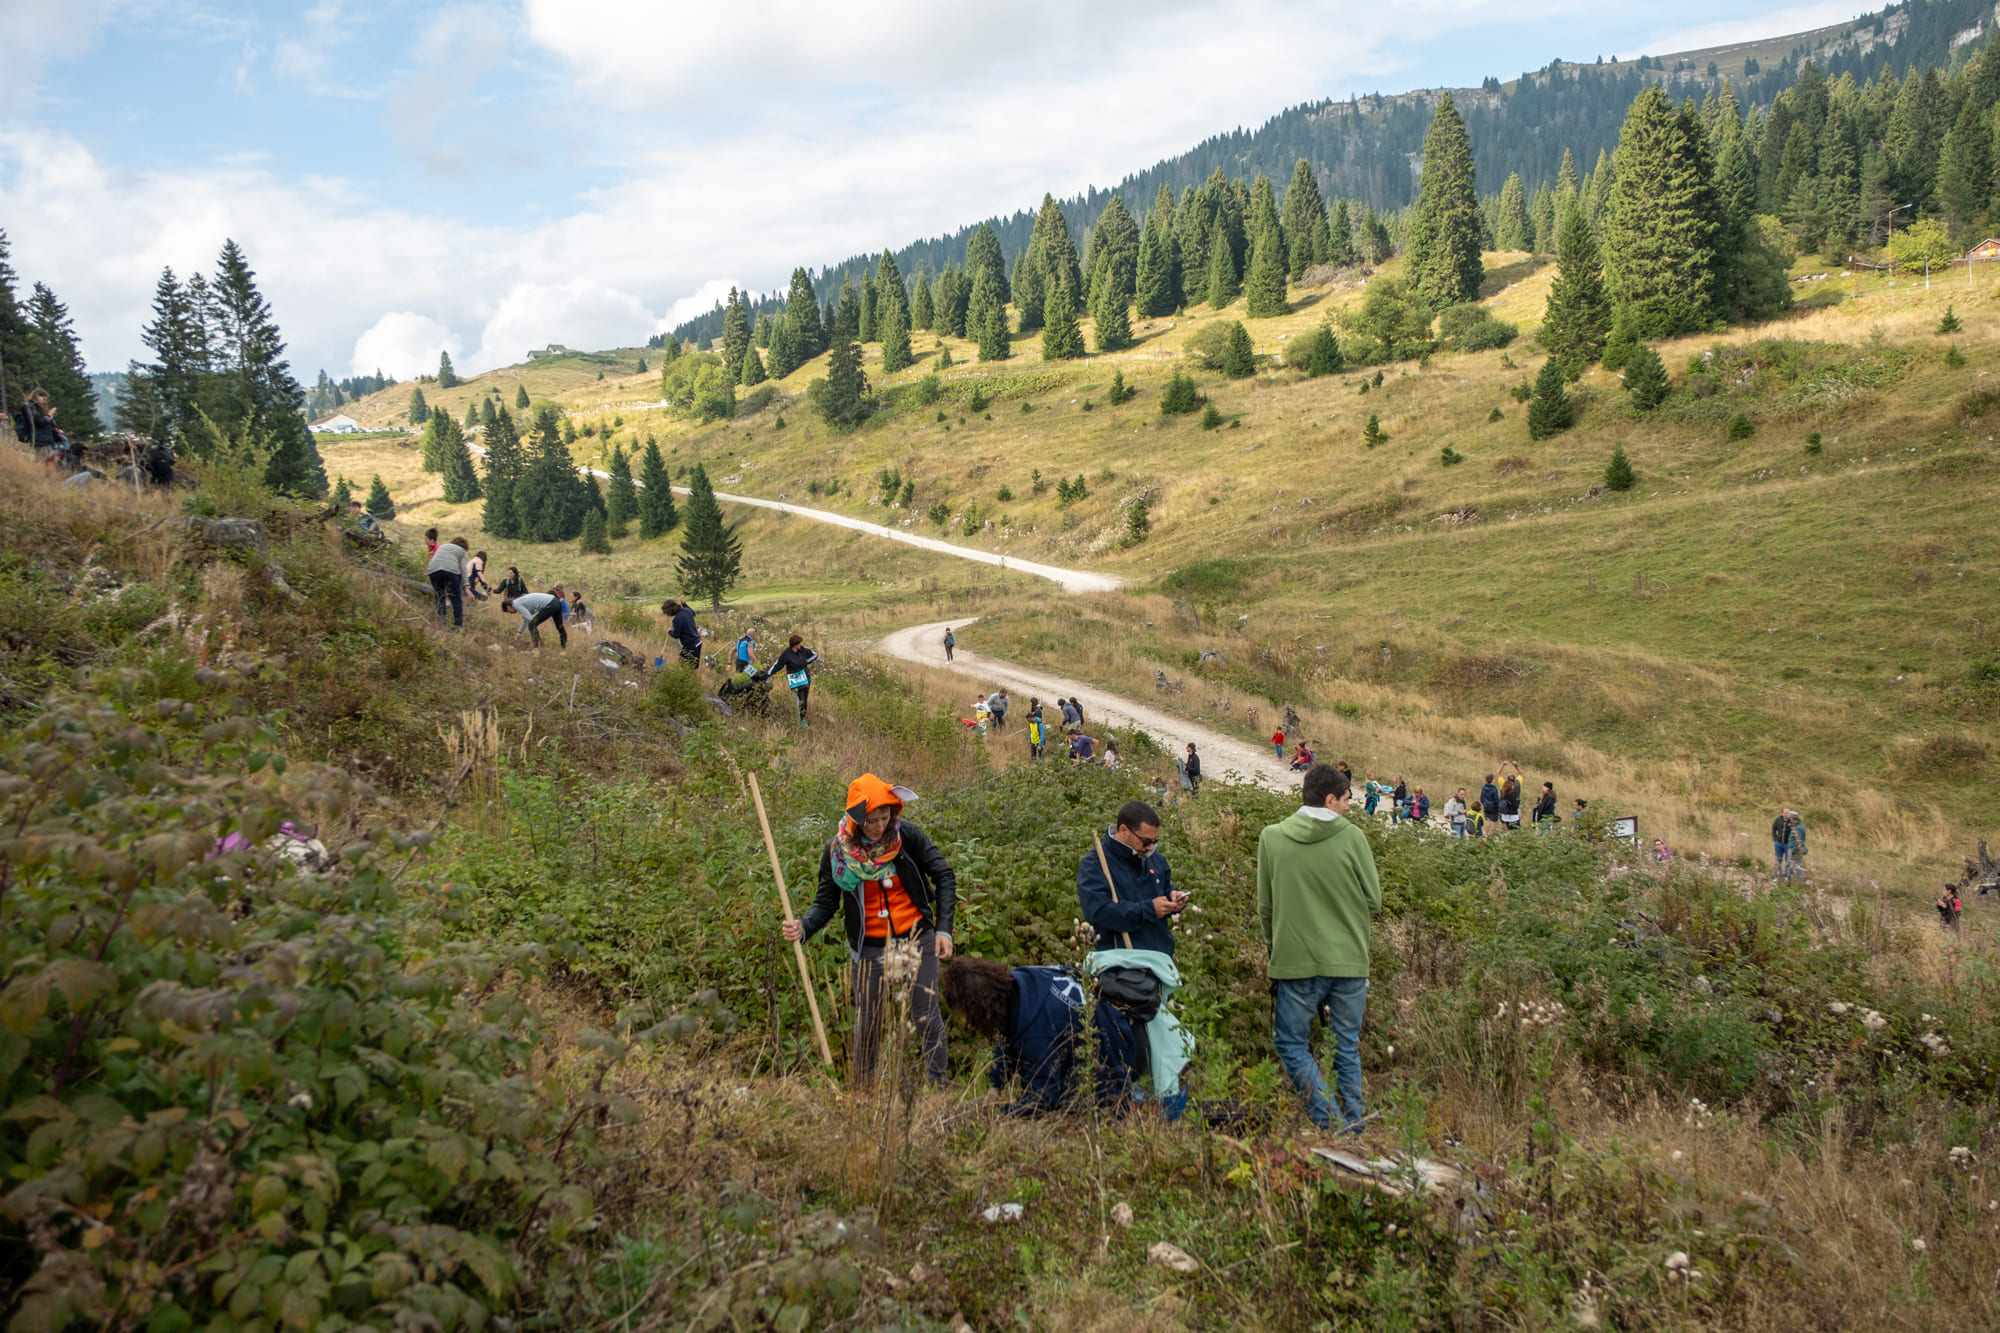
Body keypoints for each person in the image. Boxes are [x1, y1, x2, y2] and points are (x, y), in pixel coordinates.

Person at [785, 775, 956, 1086]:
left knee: (926, 1017)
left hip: (917, 938)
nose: (880, 826)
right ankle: (864, 1090)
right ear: (856, 818)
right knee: (868, 1022)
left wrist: (944, 929)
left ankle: (939, 1088)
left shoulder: (908, 837)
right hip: (870, 947)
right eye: (873, 820)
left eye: (885, 817)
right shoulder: (838, 852)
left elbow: (944, 874)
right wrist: (804, 927)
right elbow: (825, 903)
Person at [1256, 764, 1382, 1135]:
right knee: (1346, 1046)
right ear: (1331, 799)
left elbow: (1266, 907)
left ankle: (1331, 1122)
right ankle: (1352, 1129)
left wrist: (1274, 951)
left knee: (1291, 1043)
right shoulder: (1353, 838)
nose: (1348, 808)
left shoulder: (1271, 837)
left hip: (1294, 960)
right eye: (1346, 800)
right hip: (1349, 960)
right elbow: (1373, 899)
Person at [938, 957, 1085, 1116]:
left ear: (979, 1010)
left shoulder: (1035, 1030)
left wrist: (1003, 1114)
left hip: (1107, 1065)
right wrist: (995, 1087)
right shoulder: (1019, 984)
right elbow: (1007, 1034)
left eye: (966, 1015)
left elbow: (1043, 1097)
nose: (967, 1022)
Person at [1077, 800, 1185, 955]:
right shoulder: (1095, 864)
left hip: (1160, 958)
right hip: (1122, 962)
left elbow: (1164, 887)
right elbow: (1099, 914)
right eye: (1146, 842)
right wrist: (1149, 910)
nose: (1150, 848)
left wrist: (1173, 897)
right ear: (1123, 830)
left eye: (1155, 841)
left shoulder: (1154, 858)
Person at [767, 633, 819, 727]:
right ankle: (798, 720)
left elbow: (815, 655)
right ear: (794, 644)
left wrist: (806, 662)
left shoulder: (803, 650)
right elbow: (777, 665)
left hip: (805, 677)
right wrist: (767, 674)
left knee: (805, 699)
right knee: (800, 699)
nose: (801, 645)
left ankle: (802, 719)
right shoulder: (786, 653)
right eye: (799, 643)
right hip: (795, 679)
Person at [425, 536, 471, 629]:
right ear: (464, 546)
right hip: (451, 571)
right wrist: (466, 585)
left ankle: (441, 624)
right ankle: (458, 626)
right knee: (456, 600)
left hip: (433, 571)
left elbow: (436, 559)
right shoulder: (462, 551)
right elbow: (463, 569)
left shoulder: (442, 546)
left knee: (440, 597)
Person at [664, 598, 702, 667]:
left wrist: (669, 631)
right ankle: (688, 676)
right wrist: (684, 604)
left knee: (693, 668)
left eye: (667, 612)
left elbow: (676, 635)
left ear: (670, 610)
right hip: (696, 642)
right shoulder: (686, 610)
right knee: (681, 661)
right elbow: (693, 612)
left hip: (692, 645)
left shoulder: (677, 619)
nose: (667, 614)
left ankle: (692, 677)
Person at [1771, 808, 1792, 880]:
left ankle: (1786, 877)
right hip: (1779, 844)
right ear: (1782, 813)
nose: (1787, 814)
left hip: (1788, 845)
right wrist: (1774, 838)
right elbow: (1774, 828)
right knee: (1778, 861)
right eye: (1785, 813)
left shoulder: (1792, 821)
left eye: (1788, 813)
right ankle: (1777, 877)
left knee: (1788, 861)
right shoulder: (1778, 820)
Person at [1785, 811, 1807, 882]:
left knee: (1797, 867)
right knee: (1790, 866)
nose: (1789, 820)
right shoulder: (1797, 826)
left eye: (1790, 818)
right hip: (1793, 849)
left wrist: (1792, 851)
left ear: (1792, 818)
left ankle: (1798, 883)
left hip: (1795, 851)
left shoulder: (1799, 828)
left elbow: (1798, 841)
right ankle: (1789, 881)